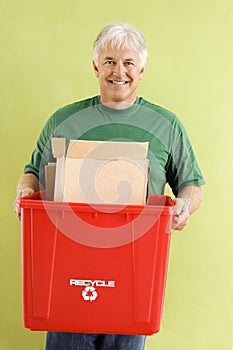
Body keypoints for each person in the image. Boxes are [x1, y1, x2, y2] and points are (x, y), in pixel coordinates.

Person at [15, 22, 205, 350]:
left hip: (134, 275)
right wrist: (23, 192)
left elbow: (191, 185)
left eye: (129, 63)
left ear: (142, 68)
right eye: (109, 62)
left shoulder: (167, 125)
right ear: (95, 66)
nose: (119, 72)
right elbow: (32, 173)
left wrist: (186, 205)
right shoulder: (64, 120)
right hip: (69, 273)